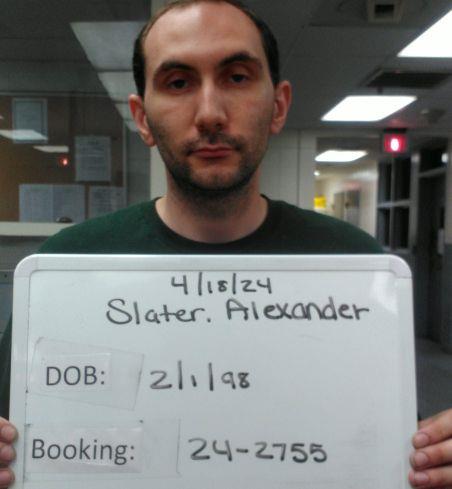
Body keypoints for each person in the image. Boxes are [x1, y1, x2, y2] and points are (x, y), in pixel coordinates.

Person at [0, 1, 451, 487]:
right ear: (143, 118)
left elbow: (386, 448)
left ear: (278, 106)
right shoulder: (65, 269)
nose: (210, 114)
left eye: (237, 77)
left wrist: (435, 458)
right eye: (178, 83)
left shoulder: (354, 266)